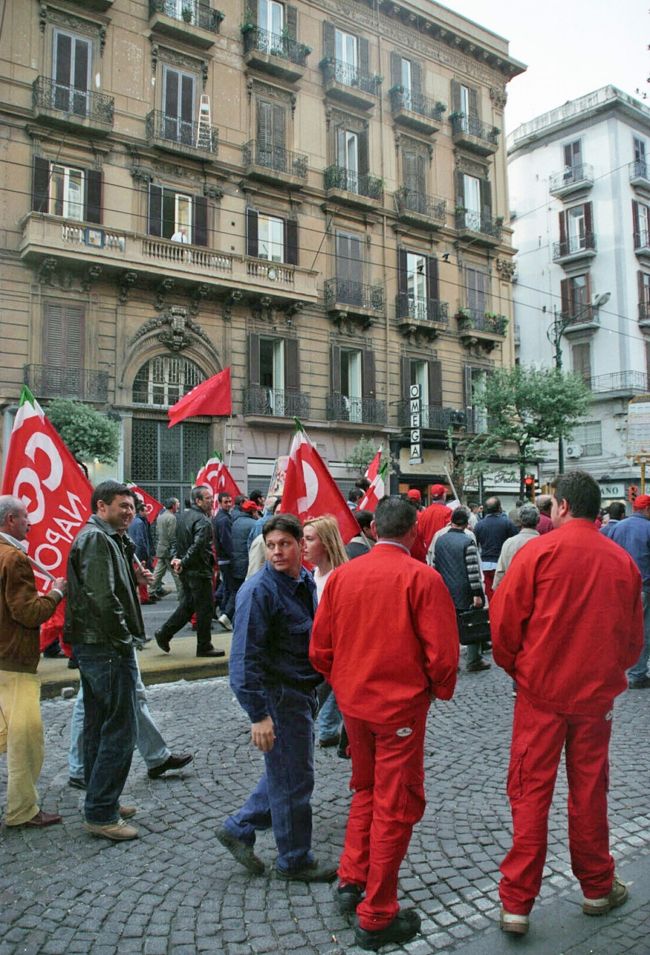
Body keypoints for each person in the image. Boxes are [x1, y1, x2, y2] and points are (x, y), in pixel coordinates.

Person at [490, 470, 644, 936]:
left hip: (541, 694)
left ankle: (517, 902)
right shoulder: (621, 561)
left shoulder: (538, 551)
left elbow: (504, 627)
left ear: (560, 507)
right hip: (594, 698)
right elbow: (633, 643)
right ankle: (597, 885)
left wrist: (520, 669)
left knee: (530, 793)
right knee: (590, 790)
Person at [310, 497, 459, 950]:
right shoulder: (422, 578)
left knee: (367, 788)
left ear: (374, 530)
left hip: (355, 705)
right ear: (414, 531)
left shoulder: (343, 577)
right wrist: (431, 690)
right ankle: (376, 912)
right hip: (398, 710)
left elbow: (320, 650)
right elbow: (443, 657)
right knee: (395, 801)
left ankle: (351, 877)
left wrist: (346, 681)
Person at [216, 514, 337, 883]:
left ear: (301, 545)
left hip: (301, 694)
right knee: (295, 781)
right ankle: (294, 860)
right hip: (279, 698)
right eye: (270, 546)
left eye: (284, 544)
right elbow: (242, 663)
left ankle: (239, 828)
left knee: (287, 774)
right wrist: (259, 715)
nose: (277, 552)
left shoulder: (302, 581)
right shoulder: (258, 591)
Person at [65, 481, 149, 842]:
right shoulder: (96, 539)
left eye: (131, 506)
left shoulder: (105, 537)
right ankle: (101, 812)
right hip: (106, 648)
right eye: (122, 506)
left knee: (100, 726)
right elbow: (103, 597)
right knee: (119, 729)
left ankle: (102, 800)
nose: (129, 512)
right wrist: (123, 639)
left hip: (97, 647)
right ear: (102, 507)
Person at [0, 495, 66, 828]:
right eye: (26, 518)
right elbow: (27, 614)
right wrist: (55, 592)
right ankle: (22, 810)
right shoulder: (14, 559)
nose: (30, 523)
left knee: (4, 732)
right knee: (26, 740)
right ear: (11, 520)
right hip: (13, 660)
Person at [154, 485, 225, 658]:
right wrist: (182, 562)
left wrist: (177, 560)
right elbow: (198, 546)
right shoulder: (203, 520)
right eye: (207, 498)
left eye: (211, 497)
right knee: (205, 609)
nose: (211, 501)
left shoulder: (182, 516)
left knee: (188, 606)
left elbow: (175, 542)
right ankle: (204, 646)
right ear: (198, 501)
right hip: (199, 571)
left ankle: (164, 633)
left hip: (187, 570)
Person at [302, 516, 349, 749]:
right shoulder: (308, 576)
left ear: (327, 543)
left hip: (337, 655)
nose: (304, 545)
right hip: (316, 655)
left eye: (309, 539)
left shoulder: (342, 577)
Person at [430, 507, 489, 673]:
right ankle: (473, 659)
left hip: (446, 589)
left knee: (450, 627)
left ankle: (451, 661)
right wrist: (477, 593)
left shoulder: (440, 540)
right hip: (464, 589)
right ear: (467, 523)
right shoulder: (467, 541)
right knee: (472, 623)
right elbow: (473, 570)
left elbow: (435, 565)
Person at [608, 494, 650, 688]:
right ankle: (637, 672)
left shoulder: (616, 528)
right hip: (644, 586)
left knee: (621, 629)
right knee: (643, 630)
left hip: (619, 587)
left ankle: (616, 670)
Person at [474, 497, 518, 602]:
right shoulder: (507, 523)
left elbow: (475, 543)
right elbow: (515, 539)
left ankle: (492, 610)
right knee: (502, 591)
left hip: (485, 563)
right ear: (499, 508)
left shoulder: (479, 525)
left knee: (489, 591)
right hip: (502, 562)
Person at [493, 503, 540, 589]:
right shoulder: (543, 543)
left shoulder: (509, 543)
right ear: (538, 520)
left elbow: (500, 572)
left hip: (512, 591)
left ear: (520, 520)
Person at [149, 498, 182, 600]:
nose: (179, 505)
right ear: (173, 506)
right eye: (177, 504)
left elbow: (158, 533)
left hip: (161, 548)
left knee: (158, 573)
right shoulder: (171, 518)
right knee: (176, 573)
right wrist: (174, 550)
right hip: (168, 550)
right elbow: (172, 536)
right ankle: (182, 595)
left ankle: (150, 591)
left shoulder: (161, 516)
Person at [213, 492, 235, 630]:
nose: (228, 504)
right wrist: (233, 556)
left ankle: (217, 609)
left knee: (225, 587)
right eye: (226, 502)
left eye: (229, 501)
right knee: (230, 588)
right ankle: (225, 614)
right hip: (226, 559)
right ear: (220, 503)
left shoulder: (220, 517)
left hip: (222, 559)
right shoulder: (224, 520)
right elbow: (226, 541)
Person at [414, 483, 452, 561]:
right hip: (444, 553)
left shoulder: (424, 513)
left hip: (428, 553)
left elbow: (419, 534)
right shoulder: (449, 512)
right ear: (443, 496)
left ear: (432, 497)